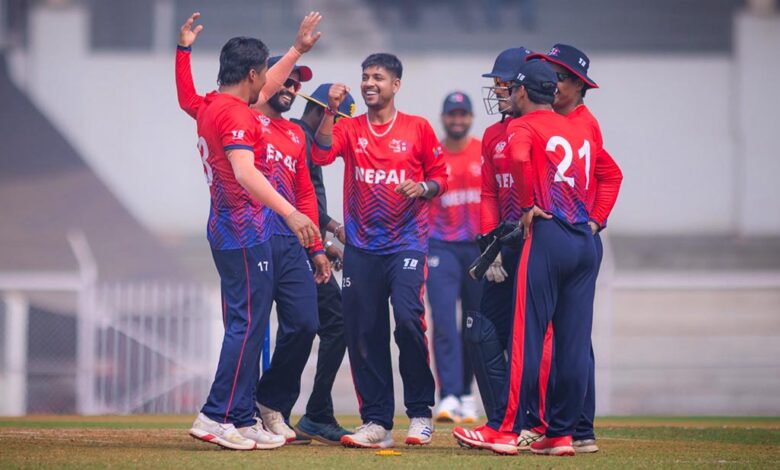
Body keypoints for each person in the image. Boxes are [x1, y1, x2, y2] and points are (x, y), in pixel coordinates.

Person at [176, 12, 323, 450]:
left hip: (232, 230)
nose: (272, 86)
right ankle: (215, 415)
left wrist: (183, 51)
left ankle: (241, 417)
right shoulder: (238, 116)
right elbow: (244, 172)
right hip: (242, 231)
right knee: (245, 326)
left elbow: (185, 95)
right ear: (253, 75)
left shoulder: (209, 105)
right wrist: (291, 213)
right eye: (265, 75)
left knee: (252, 326)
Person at [311, 53, 448, 449]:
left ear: (396, 85)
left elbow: (441, 177)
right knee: (364, 333)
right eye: (365, 77)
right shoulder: (349, 127)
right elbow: (321, 154)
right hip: (361, 248)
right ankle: (376, 422)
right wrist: (330, 111)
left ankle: (420, 412)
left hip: (406, 243)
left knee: (407, 320)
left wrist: (422, 188)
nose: (370, 83)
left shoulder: (417, 128)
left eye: (379, 78)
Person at [481, 59, 599, 457]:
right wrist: (596, 218)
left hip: (549, 235)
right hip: (584, 238)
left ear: (522, 91)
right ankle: (564, 433)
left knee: (526, 337)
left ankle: (506, 430)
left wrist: (528, 204)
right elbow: (612, 173)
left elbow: (517, 158)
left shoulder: (524, 125)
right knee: (573, 344)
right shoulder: (580, 126)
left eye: (510, 87)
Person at [519, 43, 623, 454]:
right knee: (572, 341)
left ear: (580, 85)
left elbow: (611, 175)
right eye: (550, 75)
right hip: (575, 236)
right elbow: (609, 172)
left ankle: (554, 425)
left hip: (564, 235)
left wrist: (595, 220)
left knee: (561, 339)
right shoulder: (566, 121)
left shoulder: (579, 123)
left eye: (560, 76)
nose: (553, 83)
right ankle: (573, 430)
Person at [453, 46, 553, 451]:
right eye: (495, 84)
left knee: (533, 339)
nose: (497, 91)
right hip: (505, 244)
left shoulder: (546, 127)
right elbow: (489, 193)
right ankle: (500, 423)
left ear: (522, 86)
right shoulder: (494, 135)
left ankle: (543, 423)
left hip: (541, 244)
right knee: (480, 331)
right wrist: (490, 245)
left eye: (502, 84)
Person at [287, 83, 357, 445]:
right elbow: (294, 200)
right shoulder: (299, 137)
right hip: (299, 248)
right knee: (334, 323)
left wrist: (331, 230)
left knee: (308, 326)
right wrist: (322, 244)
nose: (338, 132)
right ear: (320, 111)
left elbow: (310, 203)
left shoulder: (306, 141)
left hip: (306, 243)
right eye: (338, 121)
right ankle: (311, 413)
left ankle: (300, 412)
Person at [427, 91, 482, 424]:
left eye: (463, 114)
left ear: (471, 118)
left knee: (475, 324)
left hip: (478, 249)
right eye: (452, 114)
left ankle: (465, 394)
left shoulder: (482, 153)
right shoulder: (434, 155)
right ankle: (447, 394)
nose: (457, 120)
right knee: (445, 322)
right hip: (441, 247)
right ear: (444, 118)